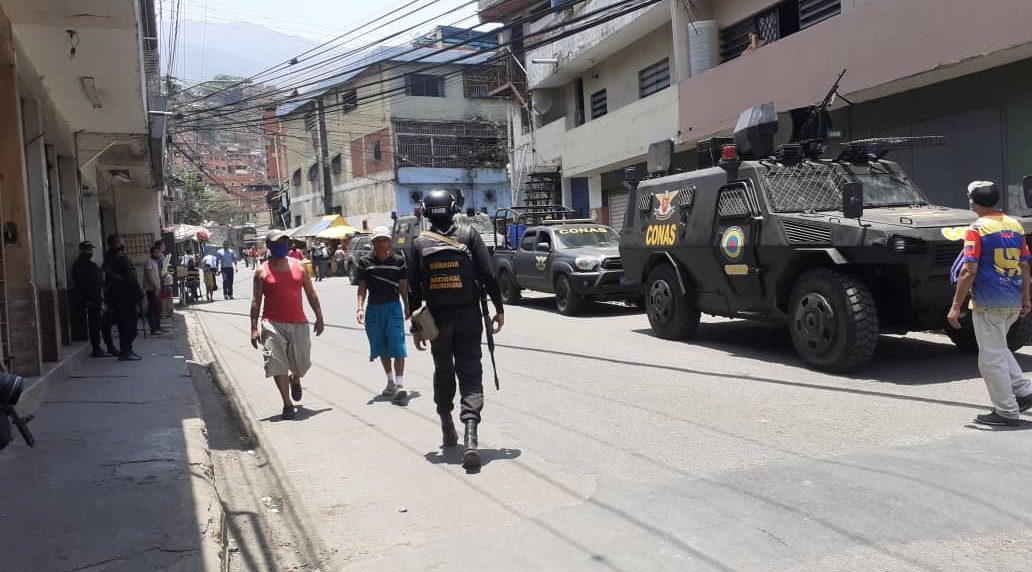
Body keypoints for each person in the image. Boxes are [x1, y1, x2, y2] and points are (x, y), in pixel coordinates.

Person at [409, 190, 504, 471]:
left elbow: (413, 290)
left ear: (426, 212)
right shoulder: (469, 234)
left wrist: (416, 327)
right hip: (469, 316)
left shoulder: (418, 243)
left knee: (443, 370)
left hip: (436, 321)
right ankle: (471, 438)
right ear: (453, 209)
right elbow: (489, 274)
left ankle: (447, 426)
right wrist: (499, 308)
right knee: (470, 373)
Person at [948, 181, 1032, 426]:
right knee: (998, 348)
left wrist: (955, 305)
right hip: (1012, 301)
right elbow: (1025, 264)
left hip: (988, 303)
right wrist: (1026, 298)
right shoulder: (1015, 225)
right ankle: (1024, 391)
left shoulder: (976, 229)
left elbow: (968, 270)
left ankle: (1006, 411)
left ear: (973, 203)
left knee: (990, 359)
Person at [251, 229, 325, 420]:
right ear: (269, 246)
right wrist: (254, 328)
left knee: (302, 364)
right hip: (271, 323)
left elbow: (311, 292)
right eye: (277, 243)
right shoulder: (261, 271)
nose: (281, 246)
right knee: (276, 363)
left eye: (284, 242)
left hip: (298, 322)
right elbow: (256, 300)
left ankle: (296, 378)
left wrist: (319, 316)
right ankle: (287, 403)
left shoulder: (299, 266)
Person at [357, 227, 411, 403]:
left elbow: (403, 285)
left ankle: (400, 384)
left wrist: (407, 306)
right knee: (381, 346)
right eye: (378, 241)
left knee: (398, 344)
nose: (381, 244)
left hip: (393, 308)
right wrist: (360, 308)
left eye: (385, 240)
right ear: (372, 243)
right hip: (374, 309)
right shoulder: (365, 262)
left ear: (389, 242)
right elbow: (362, 287)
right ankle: (390, 381)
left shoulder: (398, 261)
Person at [102, 234, 144, 361]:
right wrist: (138, 294)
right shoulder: (118, 259)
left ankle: (127, 349)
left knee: (126, 325)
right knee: (128, 326)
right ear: (116, 244)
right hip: (125, 297)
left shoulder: (109, 258)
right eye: (121, 242)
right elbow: (130, 278)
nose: (123, 244)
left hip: (119, 297)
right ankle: (126, 351)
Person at [72, 240, 116, 357]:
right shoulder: (80, 266)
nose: (89, 251)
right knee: (95, 326)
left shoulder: (91, 265)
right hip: (91, 300)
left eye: (91, 249)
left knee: (103, 324)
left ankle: (109, 347)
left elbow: (100, 279)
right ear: (81, 250)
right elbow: (83, 283)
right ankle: (98, 348)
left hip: (97, 299)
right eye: (87, 249)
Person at [142, 245, 166, 337]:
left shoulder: (154, 262)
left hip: (156, 288)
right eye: (155, 252)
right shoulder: (149, 262)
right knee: (153, 309)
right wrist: (155, 287)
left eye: (159, 252)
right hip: (151, 288)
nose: (157, 254)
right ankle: (154, 329)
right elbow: (149, 276)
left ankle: (158, 327)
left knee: (158, 308)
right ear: (151, 253)